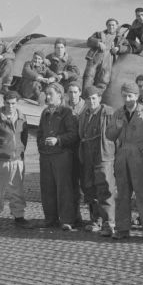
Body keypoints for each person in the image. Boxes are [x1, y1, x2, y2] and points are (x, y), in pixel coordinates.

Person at [106, 82, 143, 240]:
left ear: (137, 96)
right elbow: (109, 136)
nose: (127, 99)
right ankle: (122, 229)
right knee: (122, 194)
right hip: (122, 157)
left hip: (140, 157)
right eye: (124, 96)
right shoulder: (118, 113)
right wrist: (117, 128)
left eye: (130, 96)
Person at [0, 91, 34, 233]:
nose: (10, 106)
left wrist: (20, 152)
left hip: (17, 160)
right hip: (0, 160)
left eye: (13, 103)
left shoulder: (22, 118)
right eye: (7, 103)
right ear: (3, 102)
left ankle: (19, 216)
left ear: (17, 103)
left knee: (17, 190)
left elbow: (24, 137)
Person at [37, 83, 79, 230]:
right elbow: (40, 133)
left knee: (64, 189)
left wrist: (58, 140)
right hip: (46, 156)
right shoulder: (45, 112)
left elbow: (73, 134)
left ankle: (67, 220)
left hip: (62, 155)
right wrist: (42, 147)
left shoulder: (67, 112)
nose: (47, 97)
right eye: (46, 94)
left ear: (60, 95)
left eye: (50, 94)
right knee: (47, 188)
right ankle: (50, 219)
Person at [78, 86, 116, 236]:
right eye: (88, 99)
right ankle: (96, 220)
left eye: (94, 98)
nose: (91, 101)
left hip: (103, 155)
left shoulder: (108, 113)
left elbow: (116, 136)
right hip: (87, 156)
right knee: (89, 188)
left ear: (99, 99)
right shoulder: (83, 115)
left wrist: (115, 156)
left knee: (105, 188)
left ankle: (109, 222)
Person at [82, 18, 129, 95]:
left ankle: (97, 99)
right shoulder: (99, 34)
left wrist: (118, 48)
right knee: (88, 77)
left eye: (113, 25)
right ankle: (84, 97)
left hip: (108, 60)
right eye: (109, 25)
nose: (111, 27)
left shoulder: (121, 38)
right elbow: (89, 41)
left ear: (117, 26)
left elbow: (128, 48)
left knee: (103, 81)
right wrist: (98, 43)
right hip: (95, 58)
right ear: (106, 26)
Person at [66, 81, 87, 227]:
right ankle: (74, 215)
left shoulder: (87, 107)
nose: (73, 95)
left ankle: (95, 218)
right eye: (70, 92)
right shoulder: (64, 108)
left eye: (75, 92)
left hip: (85, 150)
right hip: (69, 151)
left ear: (80, 92)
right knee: (72, 185)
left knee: (88, 185)